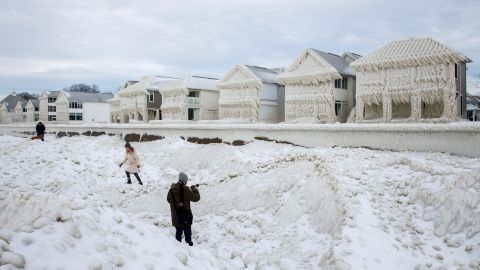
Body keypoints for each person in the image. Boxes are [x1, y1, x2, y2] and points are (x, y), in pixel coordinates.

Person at [167, 172, 200, 246]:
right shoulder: (185, 189)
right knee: (188, 235)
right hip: (185, 217)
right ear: (185, 181)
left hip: (176, 216)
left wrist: (176, 205)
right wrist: (195, 189)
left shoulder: (171, 190)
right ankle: (190, 249)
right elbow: (196, 198)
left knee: (178, 233)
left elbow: (168, 199)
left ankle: (177, 247)